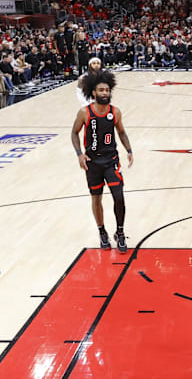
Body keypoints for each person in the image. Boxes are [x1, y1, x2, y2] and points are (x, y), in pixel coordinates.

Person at [70, 71, 133, 253]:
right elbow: (74, 133)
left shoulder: (115, 111)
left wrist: (129, 150)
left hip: (111, 160)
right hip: (92, 163)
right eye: (101, 90)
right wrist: (79, 154)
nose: (105, 93)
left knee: (118, 196)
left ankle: (120, 233)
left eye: (107, 90)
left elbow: (121, 132)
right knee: (96, 198)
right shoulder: (84, 112)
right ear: (94, 92)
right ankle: (102, 231)